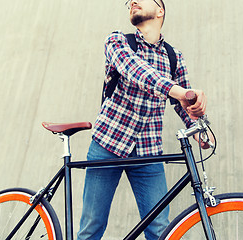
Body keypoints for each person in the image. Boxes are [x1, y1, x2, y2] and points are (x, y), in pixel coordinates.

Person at [77, 0, 209, 239]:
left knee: (160, 230)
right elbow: (136, 71)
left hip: (149, 153)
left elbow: (184, 106)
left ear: (161, 10)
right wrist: (179, 92)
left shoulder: (173, 57)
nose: (133, 1)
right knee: (92, 228)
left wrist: (197, 123)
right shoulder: (117, 41)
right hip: (108, 145)